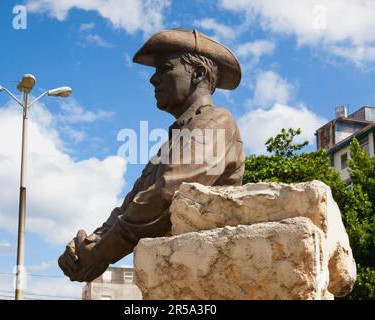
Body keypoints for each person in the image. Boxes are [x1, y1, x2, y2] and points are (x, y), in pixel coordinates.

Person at [58, 29, 246, 282]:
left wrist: (101, 253)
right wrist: (87, 246)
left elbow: (165, 195)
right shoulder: (176, 139)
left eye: (165, 69)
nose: (153, 80)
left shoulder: (216, 122)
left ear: (198, 74)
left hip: (203, 273)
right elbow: (134, 201)